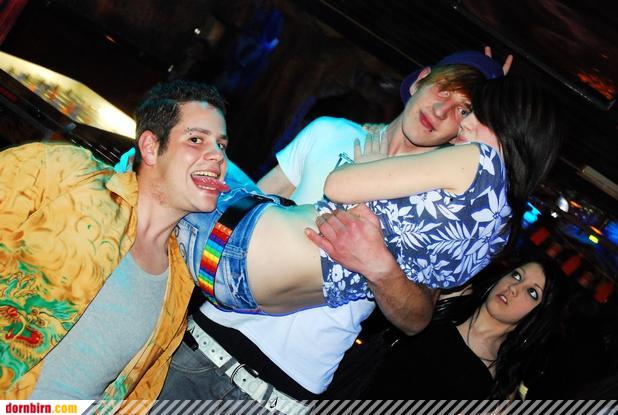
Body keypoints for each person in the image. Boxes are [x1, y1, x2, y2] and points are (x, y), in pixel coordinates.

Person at [156, 51, 510, 409]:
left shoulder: (429, 206)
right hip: (203, 345)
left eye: (463, 110)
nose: (441, 110)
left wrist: (380, 266)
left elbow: (416, 319)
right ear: (420, 81)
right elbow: (240, 216)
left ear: (464, 130)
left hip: (281, 395)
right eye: (443, 90)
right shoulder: (331, 132)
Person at [0, 80, 229, 410]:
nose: (218, 156)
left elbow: (137, 394)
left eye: (221, 145)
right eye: (196, 139)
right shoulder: (66, 174)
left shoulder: (181, 284)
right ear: (150, 147)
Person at [363, 257, 562, 399]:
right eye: (517, 275)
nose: (514, 288)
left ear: (539, 316)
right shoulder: (453, 296)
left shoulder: (499, 382)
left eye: (532, 292)